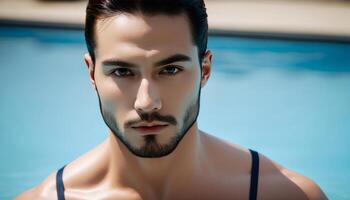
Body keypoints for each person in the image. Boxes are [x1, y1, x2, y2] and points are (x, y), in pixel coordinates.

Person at [16, 0, 327, 199]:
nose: (147, 102)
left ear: (205, 70)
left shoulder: (283, 194)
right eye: (122, 72)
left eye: (171, 69)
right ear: (91, 73)